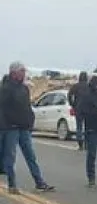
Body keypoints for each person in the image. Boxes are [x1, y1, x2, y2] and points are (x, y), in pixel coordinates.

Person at [0, 62, 54, 194]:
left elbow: (27, 107)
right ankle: (12, 185)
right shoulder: (5, 89)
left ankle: (40, 182)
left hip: (24, 128)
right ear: (14, 73)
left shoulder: (24, 89)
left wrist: (30, 121)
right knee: (10, 157)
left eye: (24, 71)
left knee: (31, 156)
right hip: (11, 128)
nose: (24, 74)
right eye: (21, 71)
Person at [67, 71, 89, 150]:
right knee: (87, 127)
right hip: (88, 109)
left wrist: (72, 104)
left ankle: (80, 144)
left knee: (79, 127)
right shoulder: (89, 86)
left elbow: (69, 95)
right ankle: (87, 144)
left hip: (78, 108)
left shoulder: (76, 86)